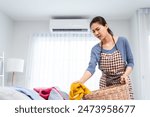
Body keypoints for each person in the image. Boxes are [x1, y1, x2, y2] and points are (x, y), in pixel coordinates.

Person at [75, 16, 134, 99]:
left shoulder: (122, 41)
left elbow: (130, 62)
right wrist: (81, 82)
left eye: (98, 29)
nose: (96, 33)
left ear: (106, 26)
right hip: (105, 86)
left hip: (123, 83)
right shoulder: (95, 49)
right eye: (93, 31)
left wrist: (125, 75)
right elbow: (91, 68)